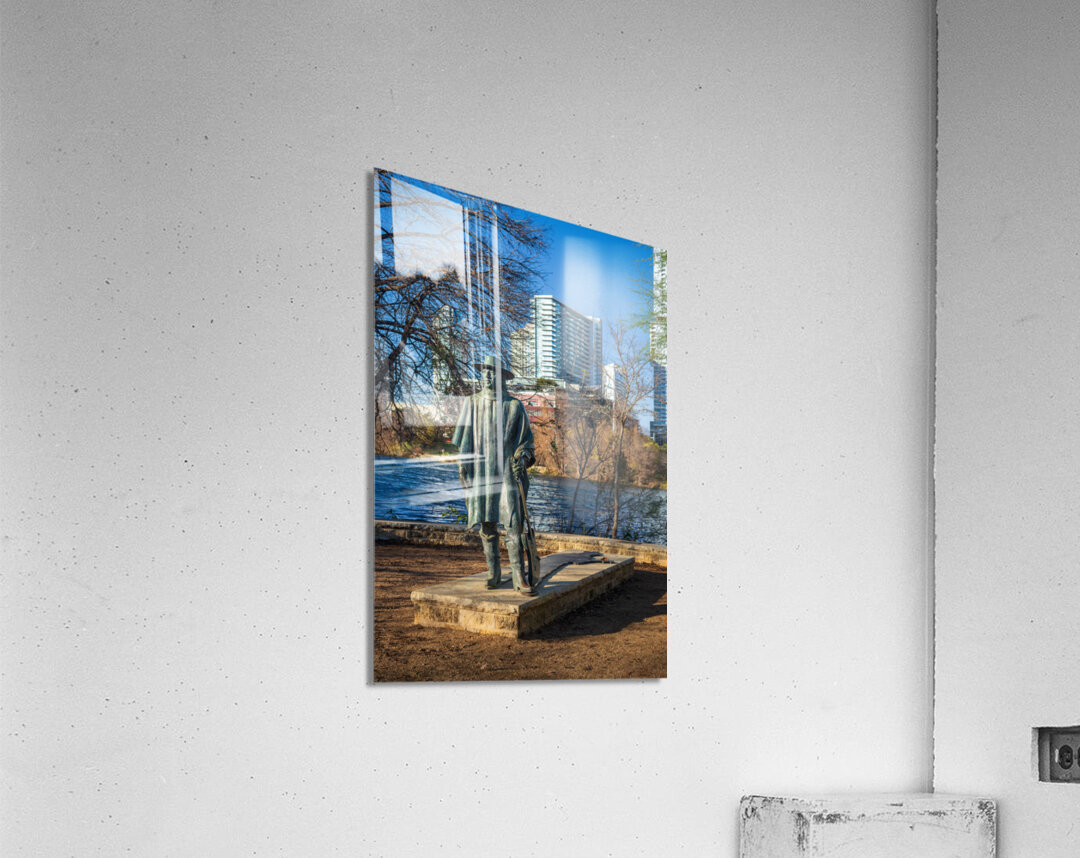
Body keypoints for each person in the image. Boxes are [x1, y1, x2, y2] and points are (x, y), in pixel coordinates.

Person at [452, 354, 537, 595]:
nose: (487, 376)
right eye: (484, 371)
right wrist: (462, 468)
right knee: (487, 525)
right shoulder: (472, 403)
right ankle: (494, 572)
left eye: (493, 372)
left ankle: (519, 575)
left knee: (513, 524)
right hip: (481, 472)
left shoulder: (514, 406)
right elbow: (463, 444)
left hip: (508, 474)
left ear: (502, 378)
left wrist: (522, 458)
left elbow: (527, 444)